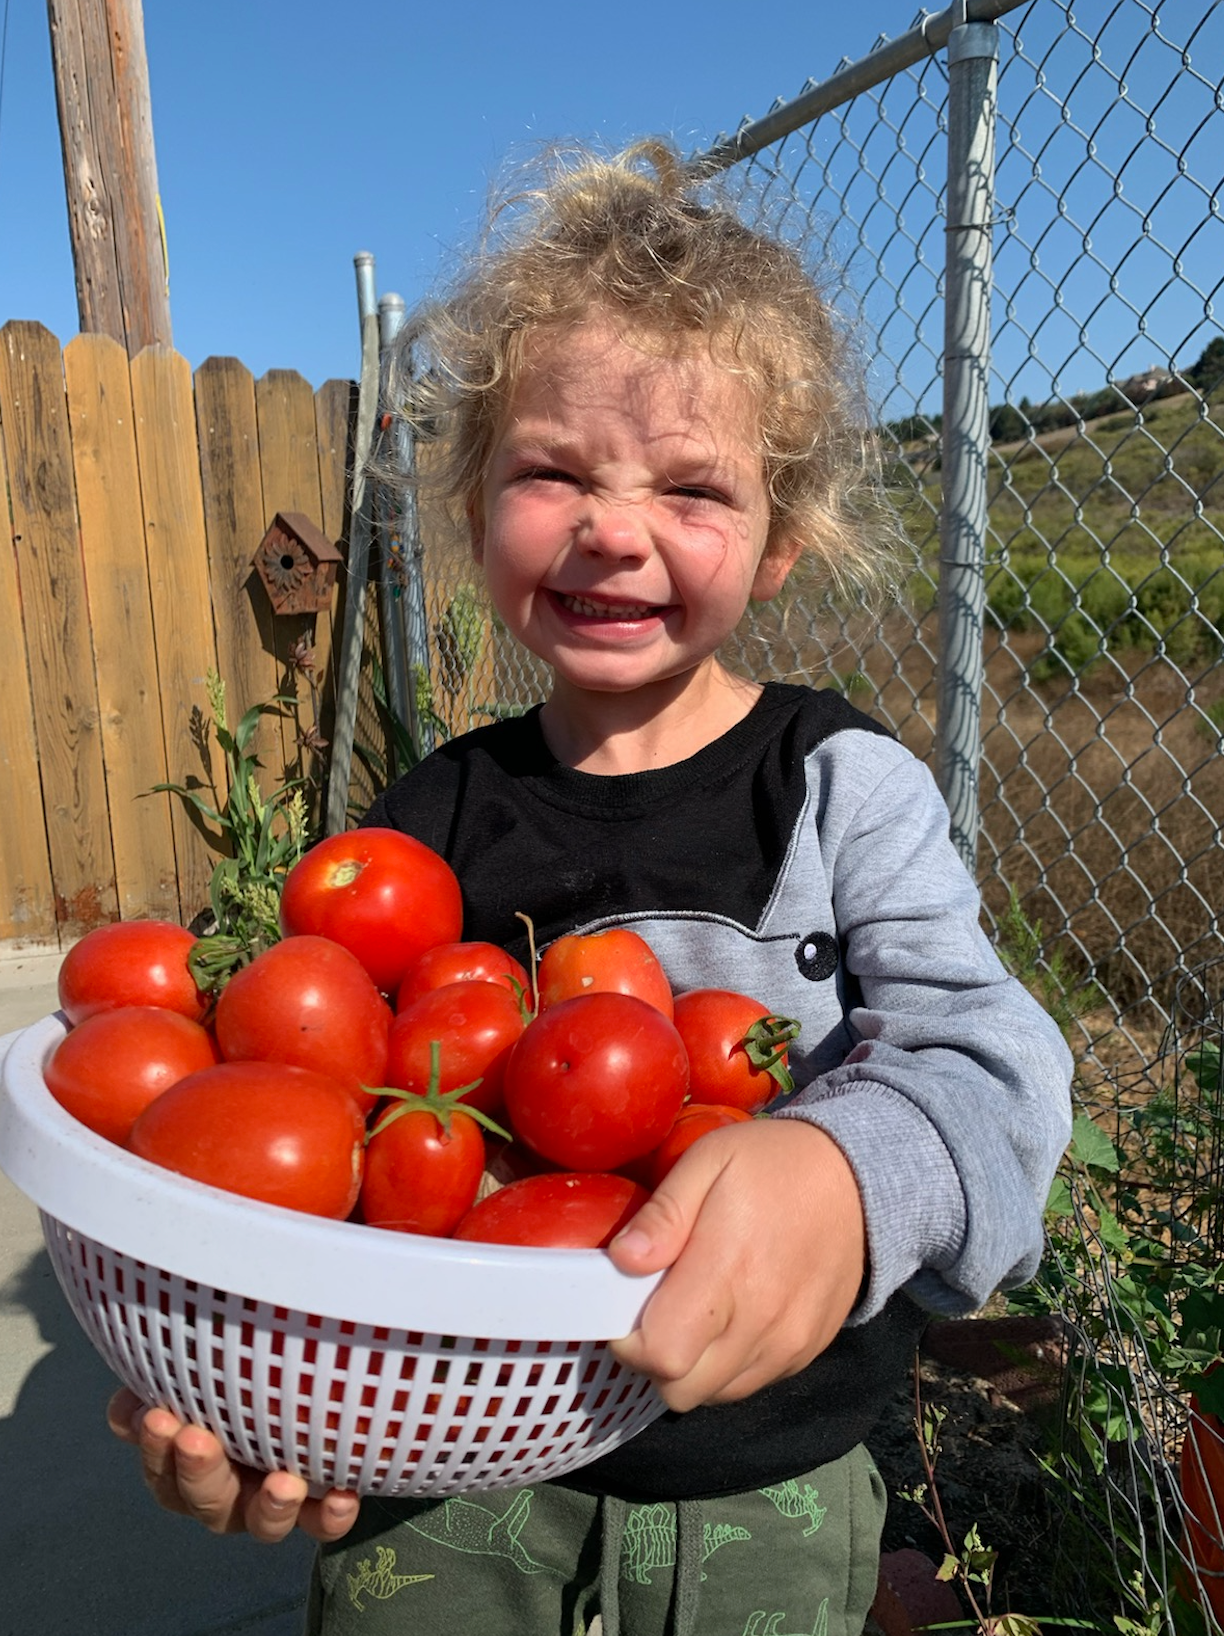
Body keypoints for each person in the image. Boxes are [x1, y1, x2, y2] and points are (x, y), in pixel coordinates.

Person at [110, 139, 1073, 1636]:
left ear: (781, 544)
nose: (612, 527)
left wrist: (844, 1174)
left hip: (763, 1471)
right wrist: (266, 1395)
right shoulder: (429, 820)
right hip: (445, 1468)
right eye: (552, 469)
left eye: (693, 488)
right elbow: (320, 1132)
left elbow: (997, 1067)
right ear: (473, 502)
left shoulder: (839, 783)